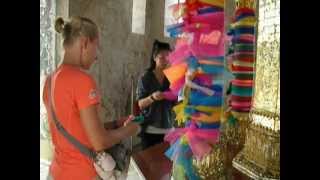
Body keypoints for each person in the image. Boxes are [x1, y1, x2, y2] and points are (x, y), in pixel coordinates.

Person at [42, 16, 140, 180]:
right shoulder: (82, 81)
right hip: (81, 174)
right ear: (85, 43)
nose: (96, 56)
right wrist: (130, 130)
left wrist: (115, 124)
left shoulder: (49, 81)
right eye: (97, 47)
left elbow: (75, 127)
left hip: (56, 173)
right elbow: (99, 142)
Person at [136, 40, 175, 150]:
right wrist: (152, 97)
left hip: (169, 129)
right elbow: (140, 104)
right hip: (150, 130)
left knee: (167, 165)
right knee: (149, 164)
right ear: (154, 58)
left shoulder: (172, 77)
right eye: (161, 57)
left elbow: (176, 103)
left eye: (168, 57)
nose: (165, 60)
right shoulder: (146, 78)